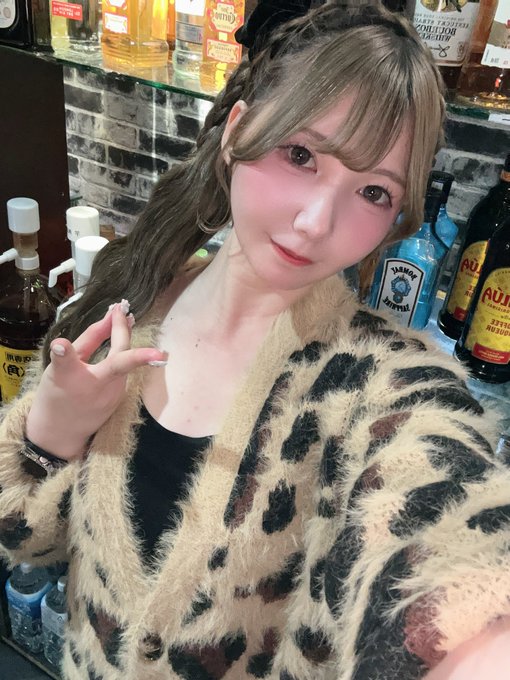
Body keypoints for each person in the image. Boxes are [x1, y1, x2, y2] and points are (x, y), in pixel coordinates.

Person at [0, 1, 509, 679]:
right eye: (300, 155)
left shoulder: (380, 388)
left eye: (373, 193)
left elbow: (444, 515)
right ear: (238, 131)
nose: (316, 221)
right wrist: (51, 433)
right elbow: (29, 544)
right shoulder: (131, 298)